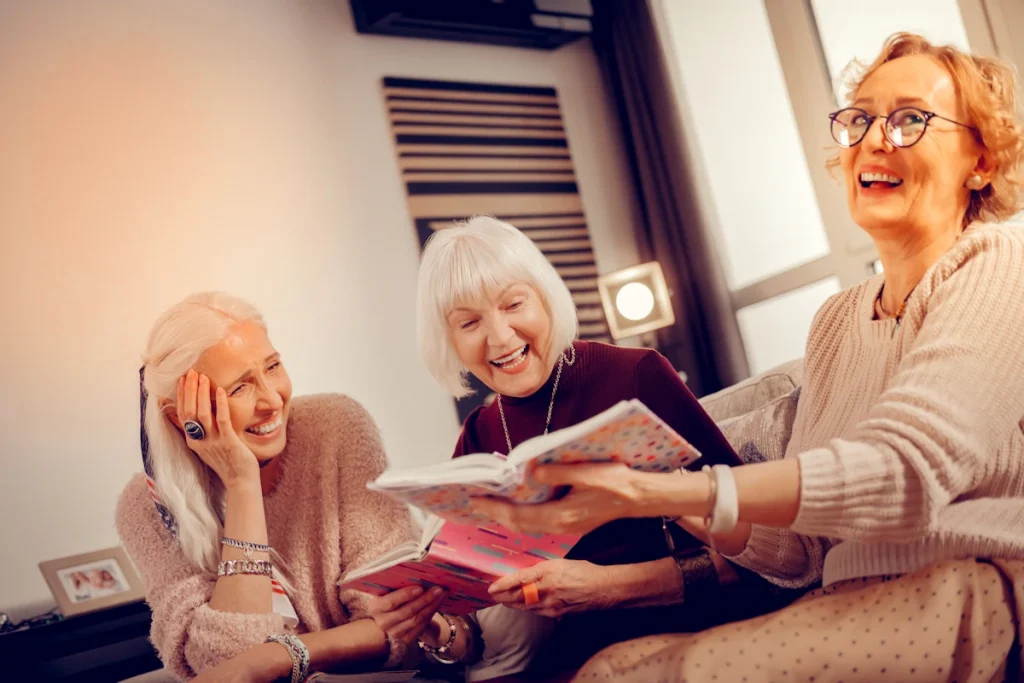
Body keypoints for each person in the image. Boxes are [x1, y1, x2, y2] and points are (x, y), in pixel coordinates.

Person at [470, 33, 1024, 681]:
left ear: (980, 161)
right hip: (841, 595)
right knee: (608, 664)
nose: (875, 139)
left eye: (908, 119)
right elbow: (798, 554)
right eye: (860, 118)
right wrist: (658, 496)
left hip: (968, 589)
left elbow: (905, 471)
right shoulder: (838, 321)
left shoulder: (999, 264)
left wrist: (656, 487)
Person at [414, 216, 796, 679]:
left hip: (684, 636)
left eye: (514, 303)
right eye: (469, 322)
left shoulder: (636, 377)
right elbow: (477, 614)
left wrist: (607, 586)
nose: (499, 336)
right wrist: (439, 629)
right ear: (449, 340)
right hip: (567, 661)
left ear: (545, 297)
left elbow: (762, 551)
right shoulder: (479, 434)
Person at [116, 292, 476, 682]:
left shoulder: (335, 427)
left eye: (272, 367)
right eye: (239, 388)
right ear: (181, 417)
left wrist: (283, 657)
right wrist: (242, 484)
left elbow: (391, 619)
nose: (272, 399)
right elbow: (227, 661)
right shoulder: (145, 506)